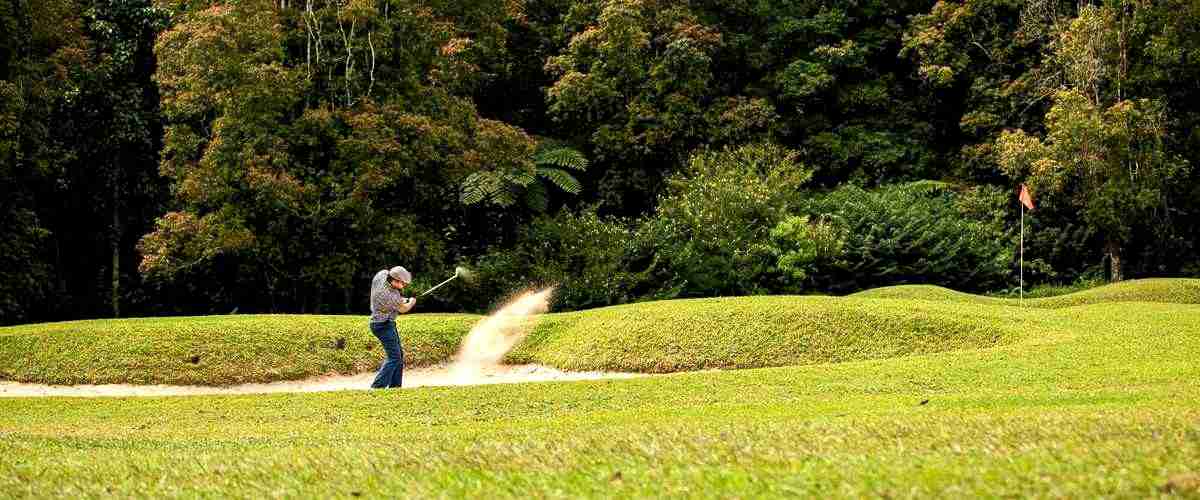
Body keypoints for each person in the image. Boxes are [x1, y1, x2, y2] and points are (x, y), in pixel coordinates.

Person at [368, 266, 416, 389]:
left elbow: (397, 300)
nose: (404, 285)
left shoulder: (382, 275)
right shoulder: (389, 296)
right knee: (394, 357)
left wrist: (402, 299)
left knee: (399, 354)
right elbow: (404, 308)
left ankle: (395, 386)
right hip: (382, 325)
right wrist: (412, 301)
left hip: (386, 323)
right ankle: (377, 387)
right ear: (394, 280)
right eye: (402, 283)